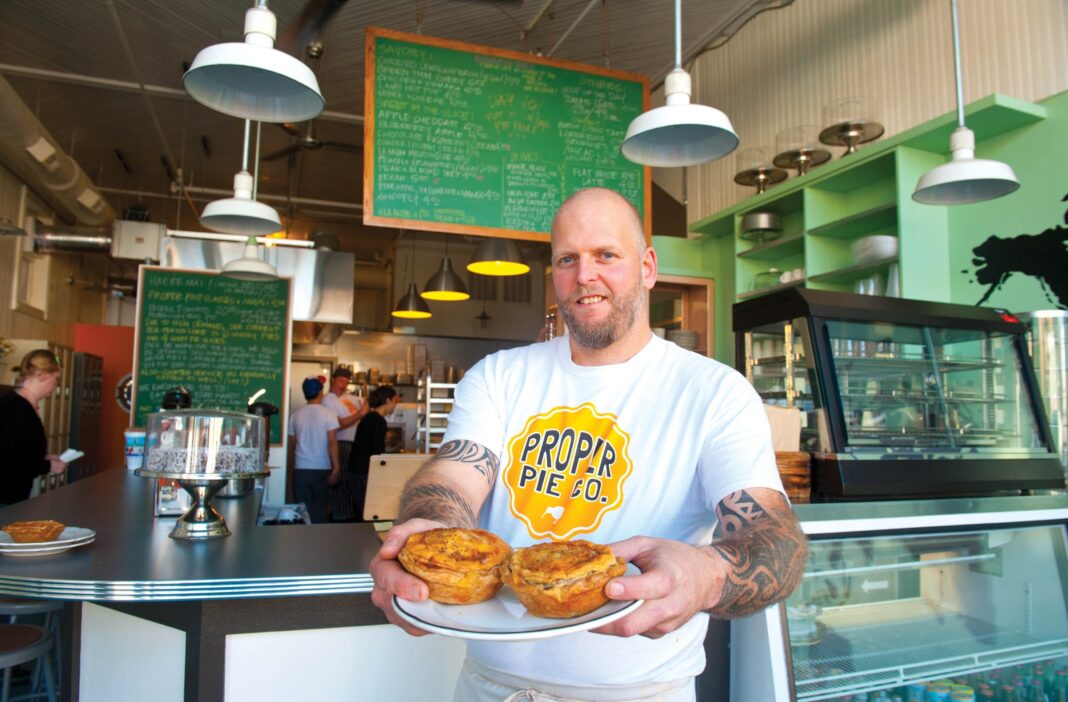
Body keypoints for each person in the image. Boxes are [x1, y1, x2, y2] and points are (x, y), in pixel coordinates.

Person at [370, 187, 808, 701]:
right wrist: (433, 535)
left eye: (606, 255)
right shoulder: (499, 376)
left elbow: (774, 539)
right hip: (490, 688)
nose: (584, 275)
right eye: (567, 259)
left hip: (641, 694)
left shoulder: (714, 392)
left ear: (647, 267)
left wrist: (707, 574)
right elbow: (455, 474)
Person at [0, 350, 68, 505]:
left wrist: (43, 458)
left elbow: (18, 450)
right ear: (43, 376)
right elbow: (8, 462)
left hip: (13, 496)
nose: (56, 385)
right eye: (56, 378)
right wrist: (48, 466)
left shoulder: (20, 404)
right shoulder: (17, 410)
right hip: (4, 499)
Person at [287, 376, 340, 523]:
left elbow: (294, 444)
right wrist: (336, 467)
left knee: (302, 512)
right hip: (321, 468)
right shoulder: (329, 414)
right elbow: (332, 442)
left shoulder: (295, 416)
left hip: (301, 469)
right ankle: (318, 537)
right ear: (320, 392)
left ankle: (303, 537)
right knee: (320, 511)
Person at [321, 367, 368, 521]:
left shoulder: (350, 398)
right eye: (341, 381)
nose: (344, 385)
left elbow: (366, 405)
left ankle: (351, 516)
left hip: (354, 445)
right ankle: (340, 517)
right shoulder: (328, 400)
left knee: (351, 482)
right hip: (340, 444)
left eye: (346, 382)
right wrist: (360, 414)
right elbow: (338, 424)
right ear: (332, 380)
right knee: (341, 482)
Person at [348, 386, 400, 522]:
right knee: (368, 514)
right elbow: (377, 453)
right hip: (364, 473)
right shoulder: (378, 421)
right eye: (394, 401)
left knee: (362, 513)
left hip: (356, 472)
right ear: (388, 401)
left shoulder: (369, 418)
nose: (395, 406)